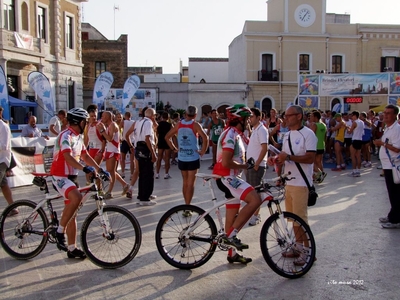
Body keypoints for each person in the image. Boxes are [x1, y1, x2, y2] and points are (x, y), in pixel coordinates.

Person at [50, 108, 107, 259]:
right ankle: (59, 232)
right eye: (86, 122)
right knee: (75, 198)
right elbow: (68, 157)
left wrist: (99, 169)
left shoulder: (78, 137)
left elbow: (86, 156)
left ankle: (71, 248)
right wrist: (84, 168)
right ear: (80, 122)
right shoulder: (65, 135)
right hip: (60, 175)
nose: (87, 124)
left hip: (71, 176)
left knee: (73, 213)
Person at [212, 104, 265, 264]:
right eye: (247, 118)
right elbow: (227, 162)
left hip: (229, 177)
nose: (249, 121)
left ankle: (232, 253)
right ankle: (230, 236)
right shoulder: (230, 135)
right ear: (239, 119)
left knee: (231, 218)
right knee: (255, 200)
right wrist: (246, 166)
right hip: (227, 177)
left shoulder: (235, 133)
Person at [270, 105, 317, 266]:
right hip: (290, 183)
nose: (286, 118)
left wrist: (288, 156)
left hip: (301, 183)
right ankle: (298, 247)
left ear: (299, 116)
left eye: (289, 115)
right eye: (285, 115)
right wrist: (277, 161)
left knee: (301, 219)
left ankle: (309, 252)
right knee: (292, 219)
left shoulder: (308, 134)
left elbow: (310, 158)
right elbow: (285, 158)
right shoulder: (288, 135)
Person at [165, 106, 208, 212]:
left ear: (185, 113)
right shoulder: (196, 125)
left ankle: (186, 205)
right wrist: (203, 151)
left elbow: (167, 137)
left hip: (182, 157)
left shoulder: (179, 124)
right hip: (193, 157)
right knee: (191, 183)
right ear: (195, 115)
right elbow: (205, 137)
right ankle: (188, 206)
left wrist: (174, 148)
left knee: (185, 182)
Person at [373, 105, 400, 228]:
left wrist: (382, 143)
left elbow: (397, 148)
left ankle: (395, 220)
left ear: (395, 115)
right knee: (391, 192)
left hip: (393, 165)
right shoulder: (388, 128)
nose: (385, 115)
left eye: (388, 113)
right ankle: (392, 214)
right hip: (387, 165)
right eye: (385, 112)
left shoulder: (397, 129)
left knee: (395, 193)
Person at [96, 111, 130, 199]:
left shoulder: (112, 125)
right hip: (110, 150)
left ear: (108, 117)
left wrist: (102, 131)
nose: (102, 117)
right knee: (111, 171)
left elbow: (110, 139)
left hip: (114, 150)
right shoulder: (109, 125)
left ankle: (110, 191)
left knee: (111, 172)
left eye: (103, 116)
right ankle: (125, 185)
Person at [246, 107, 269, 226]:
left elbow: (265, 147)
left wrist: (257, 163)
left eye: (252, 116)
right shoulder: (255, 129)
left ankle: (256, 215)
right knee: (251, 191)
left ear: (258, 117)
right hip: (251, 165)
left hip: (257, 166)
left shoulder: (262, 130)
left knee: (256, 192)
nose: (249, 119)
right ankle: (253, 213)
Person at [134, 108, 158, 205]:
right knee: (148, 174)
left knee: (142, 173)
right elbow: (147, 138)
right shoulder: (148, 123)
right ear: (153, 115)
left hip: (139, 148)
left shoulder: (139, 122)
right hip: (146, 148)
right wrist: (153, 152)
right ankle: (145, 198)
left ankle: (141, 195)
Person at [83, 104, 106, 189]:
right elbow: (86, 140)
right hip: (91, 149)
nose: (94, 118)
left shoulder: (99, 125)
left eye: (95, 116)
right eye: (92, 116)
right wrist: (83, 150)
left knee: (95, 170)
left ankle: (99, 189)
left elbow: (104, 139)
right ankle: (91, 186)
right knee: (87, 170)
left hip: (98, 149)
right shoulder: (87, 126)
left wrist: (102, 151)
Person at [0, 107, 17, 215]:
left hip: (2, 160)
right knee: (3, 184)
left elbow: (4, 146)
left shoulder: (4, 127)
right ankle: (13, 207)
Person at [309, 110, 327, 182]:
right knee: (319, 162)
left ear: (315, 117)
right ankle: (321, 176)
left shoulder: (314, 125)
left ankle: (320, 173)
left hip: (315, 146)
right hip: (321, 145)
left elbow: (311, 136)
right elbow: (325, 136)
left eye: (311, 116)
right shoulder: (323, 125)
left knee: (312, 162)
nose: (310, 117)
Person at [347, 111, 364, 177]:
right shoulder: (362, 122)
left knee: (353, 156)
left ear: (355, 115)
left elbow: (349, 132)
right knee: (358, 156)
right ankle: (358, 171)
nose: (351, 117)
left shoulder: (354, 122)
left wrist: (347, 128)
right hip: (360, 139)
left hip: (355, 139)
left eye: (352, 116)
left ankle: (354, 171)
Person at [155, 112, 172, 179]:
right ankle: (166, 173)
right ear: (168, 118)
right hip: (167, 141)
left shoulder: (158, 124)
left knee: (159, 158)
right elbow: (172, 133)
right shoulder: (169, 125)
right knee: (167, 158)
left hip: (160, 141)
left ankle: (157, 173)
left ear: (162, 117)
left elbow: (156, 134)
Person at [119, 112, 135, 179]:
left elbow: (119, 129)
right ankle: (131, 174)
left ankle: (123, 172)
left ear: (125, 116)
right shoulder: (134, 122)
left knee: (123, 158)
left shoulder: (123, 122)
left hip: (125, 141)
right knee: (132, 160)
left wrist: (120, 137)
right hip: (132, 141)